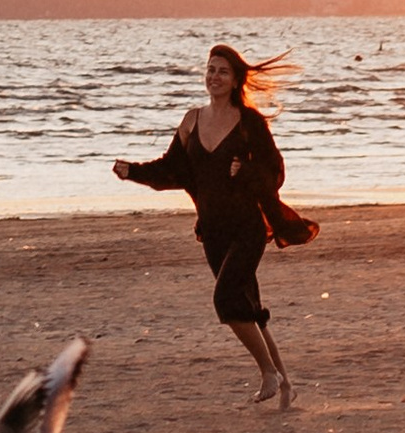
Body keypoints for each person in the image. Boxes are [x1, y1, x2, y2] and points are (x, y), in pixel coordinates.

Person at [113, 43, 317, 407]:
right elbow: (172, 168)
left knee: (225, 300)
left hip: (247, 227)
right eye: (210, 70)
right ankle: (286, 384)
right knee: (248, 307)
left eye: (222, 71)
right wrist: (133, 172)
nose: (214, 77)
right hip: (213, 229)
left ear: (236, 78)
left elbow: (275, 169)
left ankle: (267, 372)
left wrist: (248, 171)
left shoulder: (249, 121)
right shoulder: (191, 120)